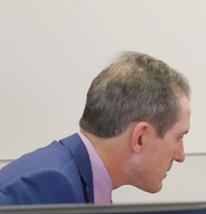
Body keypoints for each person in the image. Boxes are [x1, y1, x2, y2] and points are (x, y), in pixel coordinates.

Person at [0, 51, 190, 205]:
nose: (181, 155)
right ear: (140, 137)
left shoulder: (73, 178)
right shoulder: (49, 186)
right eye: (178, 137)